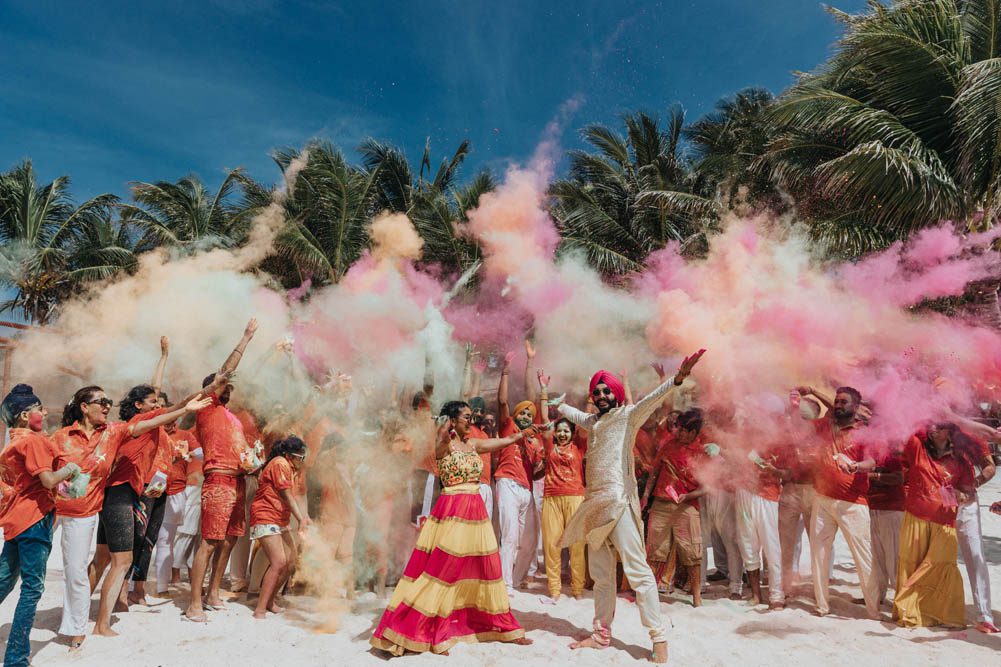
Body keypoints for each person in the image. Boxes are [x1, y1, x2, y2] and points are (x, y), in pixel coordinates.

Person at [553, 350, 704, 664]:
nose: (602, 394)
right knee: (602, 576)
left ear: (616, 393)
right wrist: (554, 402)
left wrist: (676, 379)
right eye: (597, 391)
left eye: (607, 390)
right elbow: (573, 414)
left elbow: (651, 399)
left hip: (619, 505)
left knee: (638, 573)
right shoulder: (593, 422)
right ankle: (600, 634)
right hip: (595, 508)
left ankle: (659, 639)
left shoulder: (627, 416)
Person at [370, 400, 534, 656]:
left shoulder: (473, 444)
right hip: (453, 510)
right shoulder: (444, 443)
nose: (471, 419)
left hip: (475, 511)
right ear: (453, 419)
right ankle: (431, 629)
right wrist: (442, 431)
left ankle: (502, 626)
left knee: (485, 570)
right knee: (444, 571)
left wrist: (519, 436)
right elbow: (436, 446)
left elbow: (498, 443)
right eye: (466, 416)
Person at [92, 387, 213, 636]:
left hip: (126, 493)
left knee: (104, 557)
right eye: (152, 402)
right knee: (122, 559)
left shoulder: (154, 429)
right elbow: (166, 411)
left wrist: (164, 356)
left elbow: (160, 403)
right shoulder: (140, 421)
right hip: (121, 493)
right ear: (138, 406)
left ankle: (79, 611)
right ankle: (101, 624)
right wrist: (186, 406)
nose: (157, 405)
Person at [184, 318, 259, 622]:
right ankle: (194, 603)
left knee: (229, 540)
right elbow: (226, 371)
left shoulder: (232, 416)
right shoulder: (205, 405)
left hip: (238, 480)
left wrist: (252, 459)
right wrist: (245, 338)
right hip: (217, 480)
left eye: (229, 387)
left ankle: (213, 593)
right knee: (209, 541)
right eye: (222, 385)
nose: (228, 387)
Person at [0, 385, 80, 667]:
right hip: (34, 519)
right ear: (24, 415)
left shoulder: (11, 442)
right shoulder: (32, 442)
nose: (45, 413)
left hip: (15, 521)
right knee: (32, 588)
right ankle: (16, 659)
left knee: (3, 582)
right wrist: (70, 469)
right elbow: (47, 480)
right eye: (39, 409)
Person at [53, 386, 129, 649]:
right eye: (102, 401)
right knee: (22, 564)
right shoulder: (60, 437)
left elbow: (150, 420)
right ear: (84, 407)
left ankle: (75, 629)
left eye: (110, 401)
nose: (108, 406)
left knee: (75, 571)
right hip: (50, 511)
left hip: (83, 514)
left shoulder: (113, 432)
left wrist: (185, 407)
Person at [796, 386, 880, 619]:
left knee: (864, 558)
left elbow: (872, 462)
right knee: (819, 554)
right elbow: (802, 421)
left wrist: (856, 466)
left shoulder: (864, 432)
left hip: (853, 503)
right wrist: (808, 394)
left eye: (844, 402)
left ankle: (873, 610)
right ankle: (822, 606)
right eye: (836, 401)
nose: (838, 405)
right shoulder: (825, 426)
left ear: (855, 406)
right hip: (822, 499)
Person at [892, 424, 968, 628]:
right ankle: (910, 611)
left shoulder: (961, 459)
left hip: (945, 522)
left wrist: (963, 495)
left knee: (940, 564)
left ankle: (937, 614)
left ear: (950, 431)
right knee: (913, 563)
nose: (934, 428)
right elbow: (910, 427)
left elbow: (968, 490)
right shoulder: (917, 446)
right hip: (916, 517)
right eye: (931, 424)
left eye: (940, 425)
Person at [642, 408, 707, 607]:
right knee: (655, 550)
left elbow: (707, 487)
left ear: (694, 433)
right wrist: (645, 496)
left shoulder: (701, 454)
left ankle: (697, 596)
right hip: (661, 503)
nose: (679, 433)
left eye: (684, 430)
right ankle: (649, 594)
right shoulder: (668, 445)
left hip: (686, 507)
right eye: (678, 428)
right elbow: (654, 472)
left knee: (691, 553)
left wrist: (688, 495)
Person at [495, 351, 544, 593]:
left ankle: (512, 579)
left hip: (526, 490)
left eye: (529, 414)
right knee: (510, 536)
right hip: (506, 484)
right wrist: (505, 371)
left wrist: (540, 466)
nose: (526, 415)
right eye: (522, 412)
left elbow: (536, 474)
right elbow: (503, 402)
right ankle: (505, 584)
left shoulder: (533, 441)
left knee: (526, 542)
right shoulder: (508, 426)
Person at [250, 435, 311, 619]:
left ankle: (270, 600)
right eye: (300, 457)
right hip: (265, 515)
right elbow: (286, 495)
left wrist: (303, 516)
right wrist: (300, 519)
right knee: (278, 562)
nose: (302, 460)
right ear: (289, 455)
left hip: (279, 518)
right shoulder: (280, 463)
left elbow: (295, 496)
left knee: (291, 562)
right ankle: (260, 609)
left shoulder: (291, 468)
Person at [537, 370, 586, 601]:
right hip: (551, 498)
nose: (563, 434)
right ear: (555, 434)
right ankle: (554, 590)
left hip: (576, 497)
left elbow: (587, 420)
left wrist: (589, 396)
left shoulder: (580, 447)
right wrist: (544, 390)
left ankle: (577, 589)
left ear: (572, 433)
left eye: (567, 431)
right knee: (552, 545)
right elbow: (545, 421)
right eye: (560, 431)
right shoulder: (549, 446)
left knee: (576, 546)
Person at [734, 440, 784, 609]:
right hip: (744, 493)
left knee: (771, 546)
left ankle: (776, 595)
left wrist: (774, 470)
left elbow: (790, 474)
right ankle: (756, 595)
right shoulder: (742, 439)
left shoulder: (778, 441)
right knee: (747, 545)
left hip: (767, 496)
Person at [866, 448, 905, 606]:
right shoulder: (866, 454)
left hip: (891, 509)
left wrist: (872, 476)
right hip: (872, 507)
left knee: (894, 557)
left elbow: (899, 478)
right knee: (876, 557)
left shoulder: (890, 455)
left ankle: (901, 600)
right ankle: (877, 595)